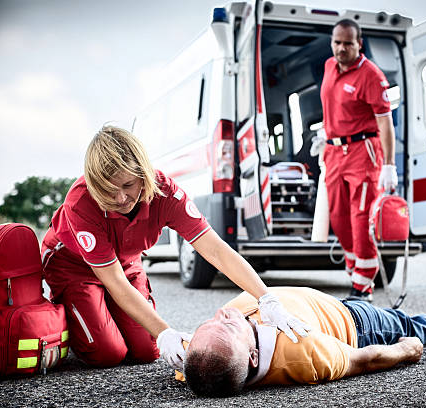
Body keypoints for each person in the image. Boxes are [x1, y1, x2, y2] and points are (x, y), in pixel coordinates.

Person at [41, 126, 311, 370]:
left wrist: (266, 298)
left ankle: (105, 314)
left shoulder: (165, 193)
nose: (120, 198)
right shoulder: (81, 202)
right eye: (108, 190)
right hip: (75, 266)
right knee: (107, 353)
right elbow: (114, 282)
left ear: (143, 173)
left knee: (147, 350)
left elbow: (216, 250)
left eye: (128, 185)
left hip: (124, 262)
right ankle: (73, 313)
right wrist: (165, 332)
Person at [182, 286, 426, 397]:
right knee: (404, 324)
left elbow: (191, 364)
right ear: (253, 357)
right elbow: (364, 360)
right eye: (229, 326)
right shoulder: (304, 353)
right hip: (356, 324)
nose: (222, 314)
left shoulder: (199, 358)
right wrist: (407, 350)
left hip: (322, 302)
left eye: (208, 323)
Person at [319, 18, 398, 301]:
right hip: (333, 152)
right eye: (337, 42)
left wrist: (389, 164)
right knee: (338, 219)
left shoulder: (371, 76)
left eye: (348, 44)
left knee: (361, 219)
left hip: (363, 153)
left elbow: (385, 122)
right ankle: (356, 271)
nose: (342, 48)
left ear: (359, 44)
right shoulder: (329, 66)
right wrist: (326, 134)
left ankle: (363, 287)